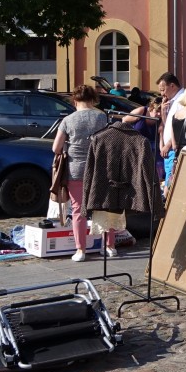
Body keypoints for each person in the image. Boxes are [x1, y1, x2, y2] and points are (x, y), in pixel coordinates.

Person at [52, 84, 114, 262]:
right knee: (104, 208)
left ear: (75, 100)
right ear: (93, 99)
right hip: (100, 169)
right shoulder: (103, 117)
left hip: (76, 169)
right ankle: (109, 246)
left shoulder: (68, 120)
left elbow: (56, 148)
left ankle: (81, 250)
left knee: (79, 210)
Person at [155, 72, 184, 185]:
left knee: (170, 184)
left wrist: (168, 145)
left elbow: (179, 128)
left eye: (163, 90)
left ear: (172, 86)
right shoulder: (173, 101)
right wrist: (163, 111)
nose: (162, 94)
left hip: (173, 149)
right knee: (168, 182)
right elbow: (168, 125)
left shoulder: (182, 100)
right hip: (169, 149)